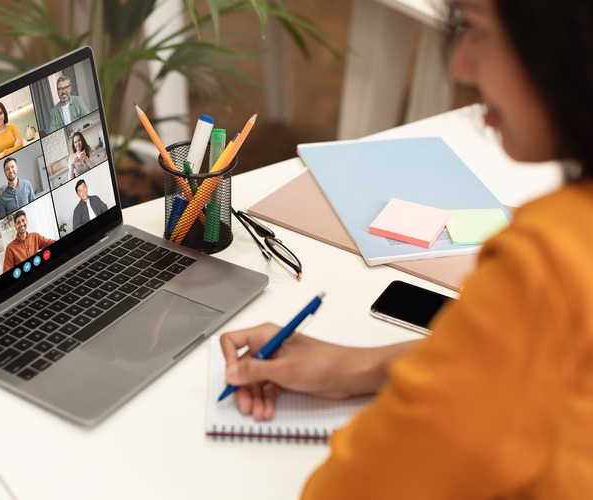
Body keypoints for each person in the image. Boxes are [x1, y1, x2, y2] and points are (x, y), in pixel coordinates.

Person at [220, 0, 593, 498]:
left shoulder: (544, 263)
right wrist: (362, 366)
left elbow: (350, 489)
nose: (460, 65)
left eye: (476, 30)